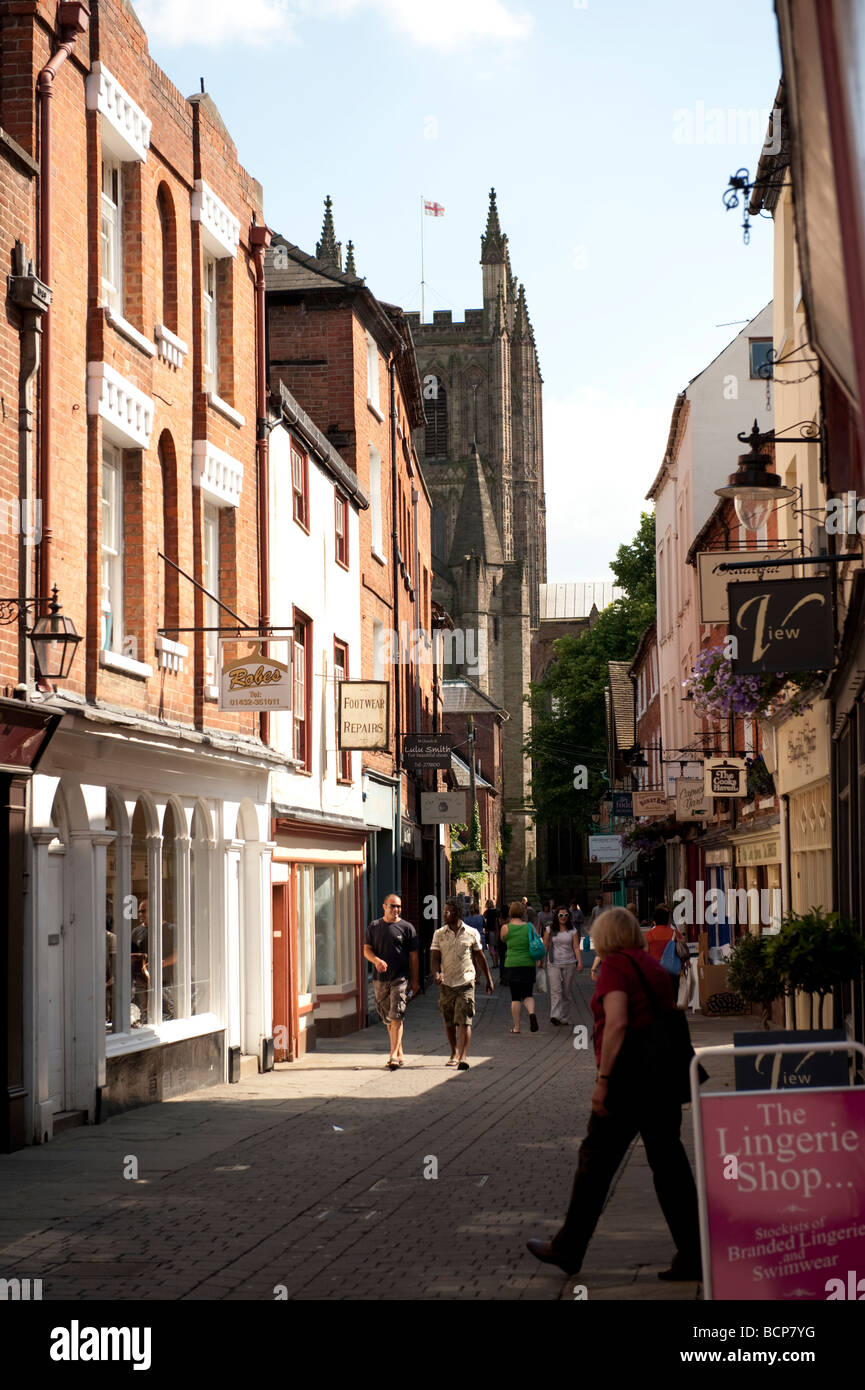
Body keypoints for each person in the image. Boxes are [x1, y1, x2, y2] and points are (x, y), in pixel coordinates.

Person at [525, 907, 702, 1280]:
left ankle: (568, 1248)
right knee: (670, 1168)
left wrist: (603, 1081)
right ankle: (695, 1254)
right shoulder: (648, 965)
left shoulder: (617, 967)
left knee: (594, 1164)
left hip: (627, 1080)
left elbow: (618, 1021)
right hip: (662, 1080)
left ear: (607, 936)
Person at [430, 898, 494, 1070]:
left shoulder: (472, 933)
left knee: (465, 1020)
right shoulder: (439, 934)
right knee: (449, 1020)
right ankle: (454, 1052)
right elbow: (435, 958)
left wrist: (489, 979)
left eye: (448, 911)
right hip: (447, 983)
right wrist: (436, 973)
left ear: (457, 913)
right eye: (444, 910)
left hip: (466, 981)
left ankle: (463, 1056)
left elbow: (480, 957)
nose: (445, 914)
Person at [363, 893, 420, 1069]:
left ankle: (393, 1055)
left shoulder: (407, 928)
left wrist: (415, 981)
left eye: (399, 906)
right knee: (389, 1019)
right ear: (384, 907)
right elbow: (366, 950)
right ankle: (400, 1052)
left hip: (400, 978)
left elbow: (414, 957)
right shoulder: (374, 926)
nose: (396, 910)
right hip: (380, 980)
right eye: (392, 906)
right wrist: (376, 961)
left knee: (397, 1015)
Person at [500, 900, 540, 1034]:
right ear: (523, 912)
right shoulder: (529, 927)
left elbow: (503, 940)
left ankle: (517, 1027)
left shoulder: (506, 928)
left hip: (512, 964)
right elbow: (536, 941)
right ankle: (532, 1013)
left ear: (510, 912)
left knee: (515, 997)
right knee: (528, 994)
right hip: (528, 964)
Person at [544, 906, 583, 1024]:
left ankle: (565, 1017)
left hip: (569, 963)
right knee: (556, 990)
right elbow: (545, 945)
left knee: (566, 992)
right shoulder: (550, 929)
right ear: (556, 916)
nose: (563, 917)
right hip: (553, 963)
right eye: (561, 915)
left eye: (566, 915)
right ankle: (555, 1016)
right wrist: (541, 960)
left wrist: (579, 962)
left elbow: (576, 947)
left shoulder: (573, 930)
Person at [483, 899, 501, 967]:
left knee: (491, 948)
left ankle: (494, 963)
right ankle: (497, 962)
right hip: (497, 931)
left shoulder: (487, 912)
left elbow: (484, 917)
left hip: (490, 931)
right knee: (496, 948)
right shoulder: (497, 911)